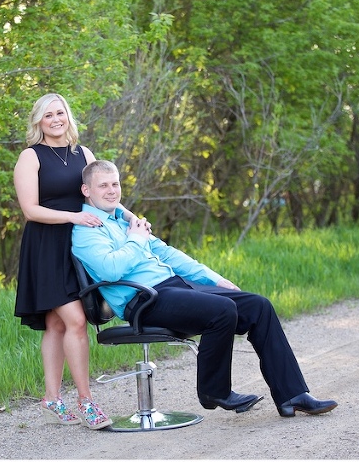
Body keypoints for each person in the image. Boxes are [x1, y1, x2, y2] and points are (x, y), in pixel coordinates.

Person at [71, 160, 338, 417]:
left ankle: (292, 395)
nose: (111, 191)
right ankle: (214, 392)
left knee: (258, 305)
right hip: (143, 300)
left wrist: (214, 279)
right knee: (222, 310)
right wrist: (136, 240)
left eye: (115, 184)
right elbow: (110, 270)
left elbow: (169, 254)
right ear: (87, 190)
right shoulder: (86, 230)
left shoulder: (122, 219)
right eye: (103, 185)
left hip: (172, 286)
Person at [13, 94, 143, 430]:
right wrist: (74, 217)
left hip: (80, 247)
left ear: (68, 117)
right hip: (46, 248)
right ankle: (86, 402)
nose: (55, 120)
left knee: (57, 324)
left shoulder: (83, 153)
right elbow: (30, 210)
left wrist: (131, 218)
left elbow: (102, 192)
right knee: (75, 321)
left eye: (60, 113)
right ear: (38, 121)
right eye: (48, 115)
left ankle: (52, 398)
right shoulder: (30, 157)